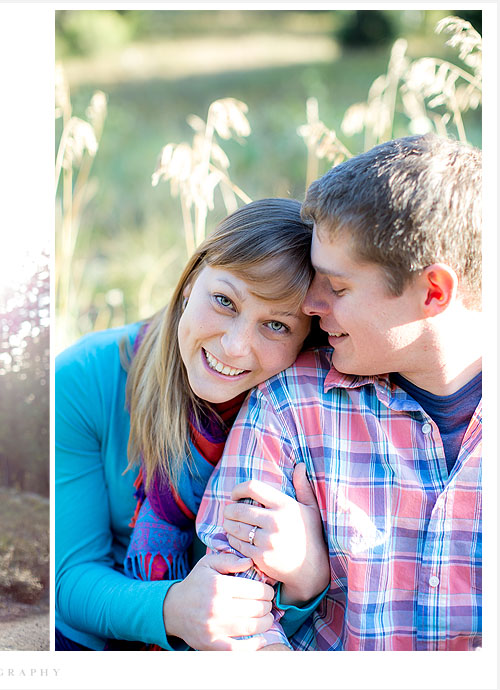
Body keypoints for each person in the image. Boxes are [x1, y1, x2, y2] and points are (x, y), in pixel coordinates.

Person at [196, 133, 482, 650]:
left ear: (433, 292)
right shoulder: (290, 405)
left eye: (339, 286)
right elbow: (233, 618)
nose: (309, 303)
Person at [56, 198, 331, 651]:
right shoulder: (84, 378)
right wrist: (176, 608)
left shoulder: (303, 416)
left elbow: (283, 616)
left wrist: (305, 580)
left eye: (277, 325)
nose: (235, 345)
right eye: (224, 300)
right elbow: (68, 581)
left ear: (305, 339)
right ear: (190, 282)